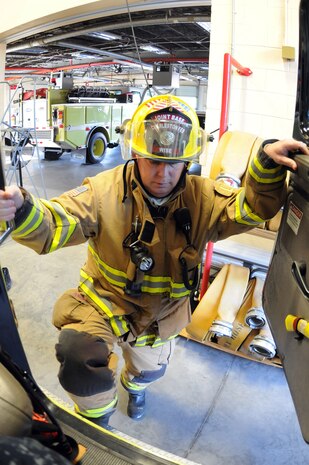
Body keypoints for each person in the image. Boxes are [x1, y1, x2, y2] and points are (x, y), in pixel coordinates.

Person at [0, 94, 308, 427]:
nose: (162, 173)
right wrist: (22, 210)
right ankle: (97, 418)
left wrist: (265, 165)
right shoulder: (102, 192)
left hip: (162, 316)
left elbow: (249, 209)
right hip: (104, 303)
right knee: (78, 357)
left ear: (187, 162)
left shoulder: (203, 199)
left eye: (173, 163)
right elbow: (56, 222)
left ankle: (135, 387)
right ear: (135, 154)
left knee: (148, 372)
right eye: (153, 161)